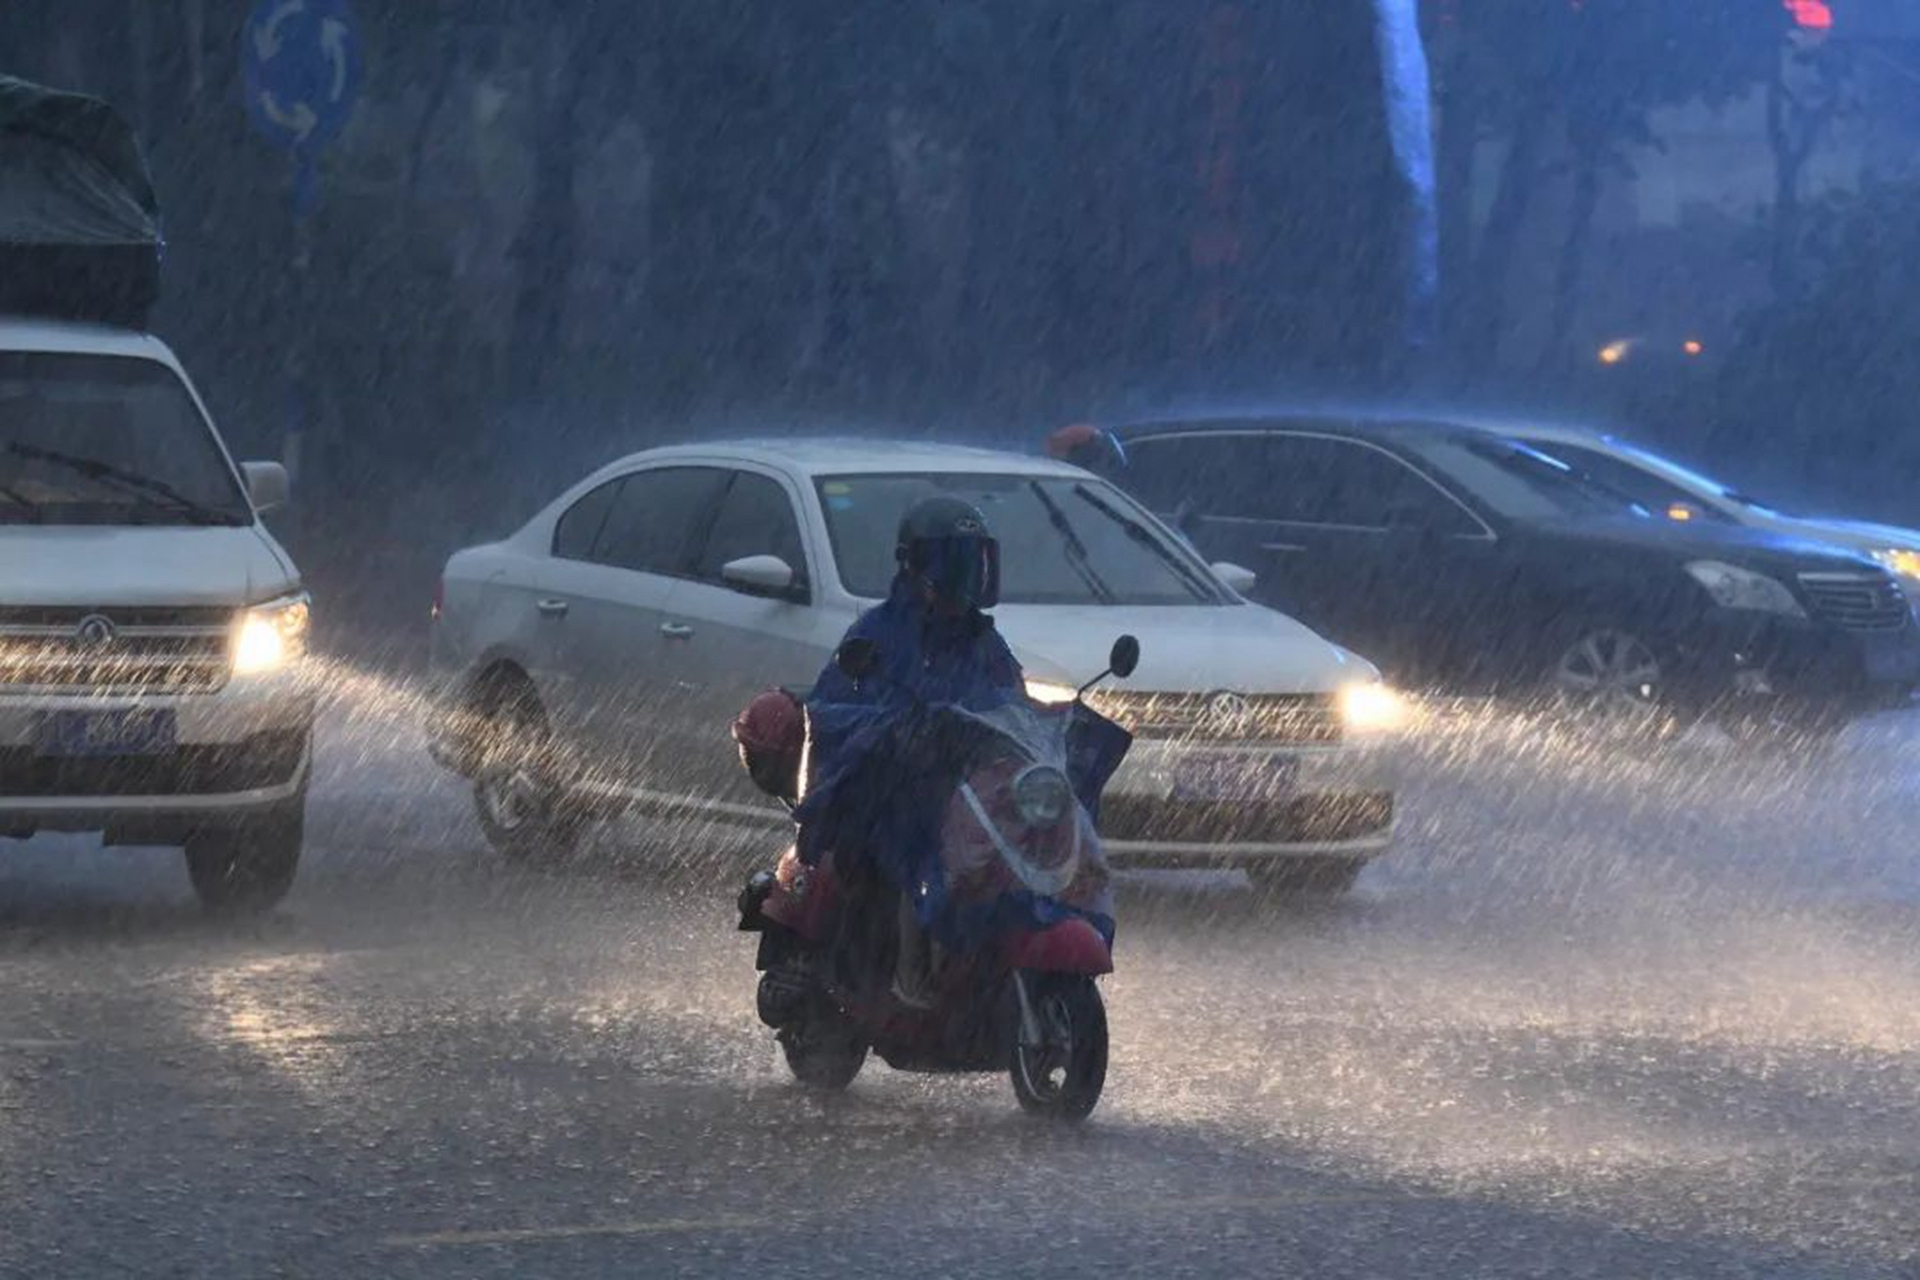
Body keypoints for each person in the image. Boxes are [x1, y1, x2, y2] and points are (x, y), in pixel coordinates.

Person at [802, 495, 1027, 1007]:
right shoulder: (876, 634)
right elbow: (831, 709)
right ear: (915, 565)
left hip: (966, 792)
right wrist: (894, 730)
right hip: (890, 796)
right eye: (952, 562)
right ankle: (908, 977)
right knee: (919, 855)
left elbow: (1013, 704)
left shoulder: (984, 643)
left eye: (974, 562)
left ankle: (981, 967)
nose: (964, 578)